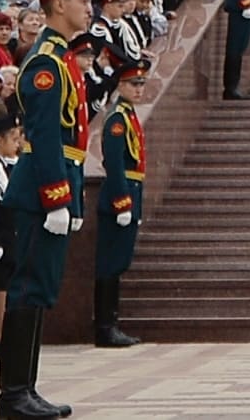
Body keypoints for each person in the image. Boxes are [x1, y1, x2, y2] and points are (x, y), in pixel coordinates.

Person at [0, 0, 91, 420]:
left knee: (41, 291)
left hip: (55, 188)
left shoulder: (64, 59)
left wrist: (74, 195)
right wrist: (58, 196)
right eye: (82, 0)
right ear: (58, 4)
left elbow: (74, 139)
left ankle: (26, 389)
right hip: (39, 191)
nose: (88, 8)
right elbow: (46, 136)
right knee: (27, 289)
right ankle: (13, 394)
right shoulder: (46, 64)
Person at [93, 50, 151, 348]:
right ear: (120, 86)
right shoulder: (117, 118)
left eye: (141, 84)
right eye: (133, 85)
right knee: (110, 264)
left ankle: (111, 322)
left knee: (118, 262)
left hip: (131, 190)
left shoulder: (127, 115)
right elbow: (115, 164)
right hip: (121, 194)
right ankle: (105, 326)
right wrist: (123, 203)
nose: (139, 90)